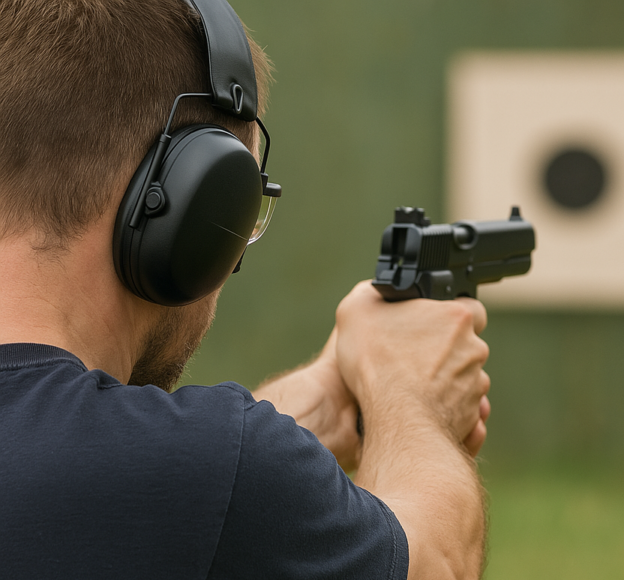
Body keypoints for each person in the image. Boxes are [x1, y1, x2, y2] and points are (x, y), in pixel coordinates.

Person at [0, 1, 491, 579]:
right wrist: (410, 391)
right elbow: (437, 562)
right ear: (191, 207)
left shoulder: (165, 475)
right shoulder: (212, 467)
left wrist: (305, 417)